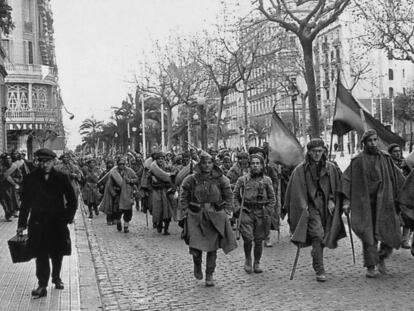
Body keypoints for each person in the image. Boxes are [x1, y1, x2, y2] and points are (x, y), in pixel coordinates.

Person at [343, 130, 405, 278]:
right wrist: (346, 201)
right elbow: (346, 180)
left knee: (391, 232)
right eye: (370, 140)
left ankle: (382, 256)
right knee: (368, 237)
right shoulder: (357, 161)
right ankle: (371, 265)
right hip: (365, 205)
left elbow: (398, 178)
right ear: (364, 142)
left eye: (375, 140)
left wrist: (403, 195)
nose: (373, 143)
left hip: (385, 203)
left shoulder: (385, 158)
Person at [17, 148, 77, 298]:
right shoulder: (30, 178)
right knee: (40, 253)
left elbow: (72, 201)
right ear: (37, 162)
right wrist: (21, 225)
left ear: (53, 162)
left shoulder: (62, 177)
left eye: (47, 162)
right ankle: (42, 285)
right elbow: (25, 204)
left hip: (57, 222)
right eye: (41, 161)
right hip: (37, 223)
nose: (44, 165)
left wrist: (66, 218)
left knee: (57, 252)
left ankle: (56, 277)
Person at [284, 138, 346, 282]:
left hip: (326, 206)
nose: (317, 154)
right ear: (309, 152)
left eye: (320, 151)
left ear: (324, 151)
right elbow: (294, 191)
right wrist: (303, 207)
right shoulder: (300, 170)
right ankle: (320, 268)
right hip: (310, 207)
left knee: (325, 236)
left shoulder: (331, 168)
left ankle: (316, 253)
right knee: (317, 234)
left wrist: (332, 199)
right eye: (314, 152)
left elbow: (339, 185)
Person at [180, 151, 237, 286]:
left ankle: (209, 274)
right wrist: (185, 211)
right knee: (195, 245)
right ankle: (197, 263)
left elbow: (229, 195)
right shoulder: (191, 179)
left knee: (212, 247)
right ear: (200, 164)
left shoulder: (221, 179)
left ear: (213, 164)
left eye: (209, 162)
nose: (207, 165)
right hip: (196, 216)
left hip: (215, 216)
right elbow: (184, 196)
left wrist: (227, 211)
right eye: (204, 163)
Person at [233, 154, 276, 274]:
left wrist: (268, 210)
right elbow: (235, 196)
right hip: (246, 211)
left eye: (258, 163)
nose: (255, 166)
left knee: (258, 240)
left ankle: (257, 262)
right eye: (253, 163)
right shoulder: (242, 180)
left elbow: (272, 198)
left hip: (261, 213)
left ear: (262, 166)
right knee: (247, 238)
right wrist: (238, 208)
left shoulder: (267, 180)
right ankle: (248, 259)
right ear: (249, 165)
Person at [100, 157, 138, 233]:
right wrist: (114, 194)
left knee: (128, 211)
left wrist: (130, 181)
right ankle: (118, 222)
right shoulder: (113, 172)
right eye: (120, 164)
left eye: (123, 164)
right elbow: (109, 185)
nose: (122, 166)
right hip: (118, 194)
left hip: (127, 194)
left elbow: (136, 179)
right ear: (117, 164)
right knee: (117, 211)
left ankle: (126, 226)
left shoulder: (129, 171)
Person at [141, 152, 173, 235]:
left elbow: (172, 179)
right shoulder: (152, 170)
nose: (160, 160)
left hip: (166, 192)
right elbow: (147, 180)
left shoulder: (167, 168)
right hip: (156, 191)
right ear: (156, 160)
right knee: (157, 210)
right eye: (159, 159)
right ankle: (158, 224)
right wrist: (148, 190)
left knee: (167, 211)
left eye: (162, 159)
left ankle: (166, 228)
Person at [388, 143, 413, 249]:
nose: (398, 153)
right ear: (391, 153)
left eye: (399, 151)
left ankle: (404, 239)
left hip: (406, 194)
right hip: (392, 195)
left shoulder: (406, 163)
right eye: (395, 151)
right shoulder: (388, 165)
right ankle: (389, 239)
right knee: (393, 218)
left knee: (407, 217)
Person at [0, 153, 22, 221]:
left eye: (9, 158)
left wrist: (12, 179)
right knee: (4, 201)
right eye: (6, 159)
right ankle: (8, 214)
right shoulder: (0, 167)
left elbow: (20, 177)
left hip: (12, 187)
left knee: (13, 201)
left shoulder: (14, 167)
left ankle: (12, 212)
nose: (8, 160)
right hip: (2, 187)